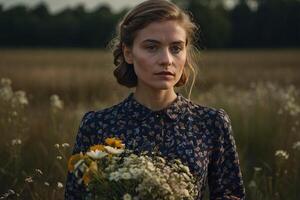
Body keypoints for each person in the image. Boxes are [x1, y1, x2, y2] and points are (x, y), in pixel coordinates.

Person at [65, 0, 246, 199]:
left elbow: (231, 195)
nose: (167, 60)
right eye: (152, 47)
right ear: (128, 53)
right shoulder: (97, 125)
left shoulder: (211, 123)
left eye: (176, 48)